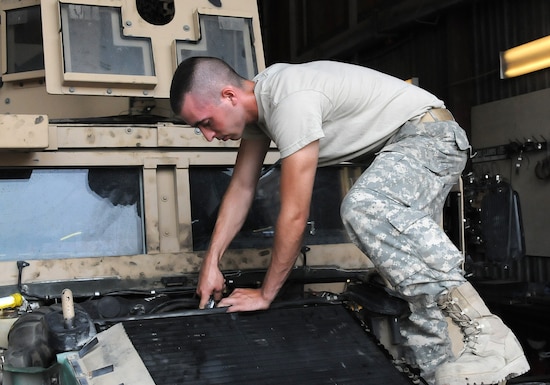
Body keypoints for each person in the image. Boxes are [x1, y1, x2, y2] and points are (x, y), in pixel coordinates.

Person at [169, 57, 529, 385]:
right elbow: (242, 187)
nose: (209, 136)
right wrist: (211, 263)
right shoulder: (258, 114)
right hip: (401, 146)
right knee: (407, 280)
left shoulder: (289, 98)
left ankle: (490, 336)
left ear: (229, 95)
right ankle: (441, 375)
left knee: (365, 206)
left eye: (206, 122)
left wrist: (266, 294)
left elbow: (294, 214)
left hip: (429, 135)